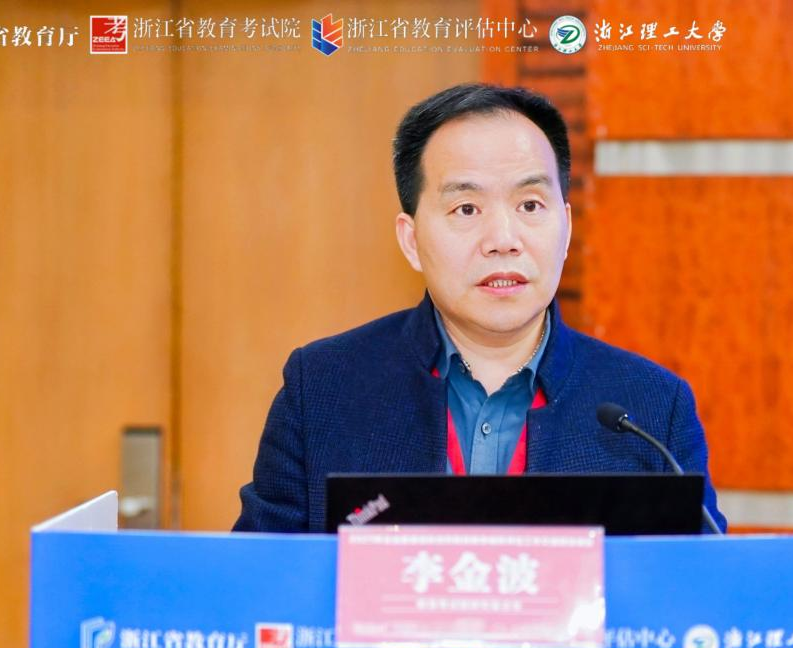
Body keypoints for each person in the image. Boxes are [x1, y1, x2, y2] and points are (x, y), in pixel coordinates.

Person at [234, 83, 726, 533]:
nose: (503, 240)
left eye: (530, 205)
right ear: (411, 240)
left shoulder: (651, 409)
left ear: (567, 228)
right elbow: (258, 581)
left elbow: (703, 585)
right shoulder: (322, 390)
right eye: (466, 209)